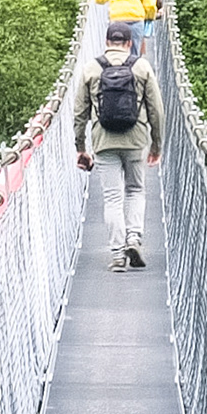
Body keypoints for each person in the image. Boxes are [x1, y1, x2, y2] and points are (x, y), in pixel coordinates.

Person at [74, 21, 166, 271]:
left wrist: (80, 148)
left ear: (107, 42)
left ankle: (117, 255)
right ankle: (133, 238)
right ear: (129, 43)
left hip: (103, 142)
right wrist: (156, 145)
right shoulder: (142, 66)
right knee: (135, 190)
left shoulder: (91, 68)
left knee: (112, 197)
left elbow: (79, 113)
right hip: (135, 139)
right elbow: (156, 110)